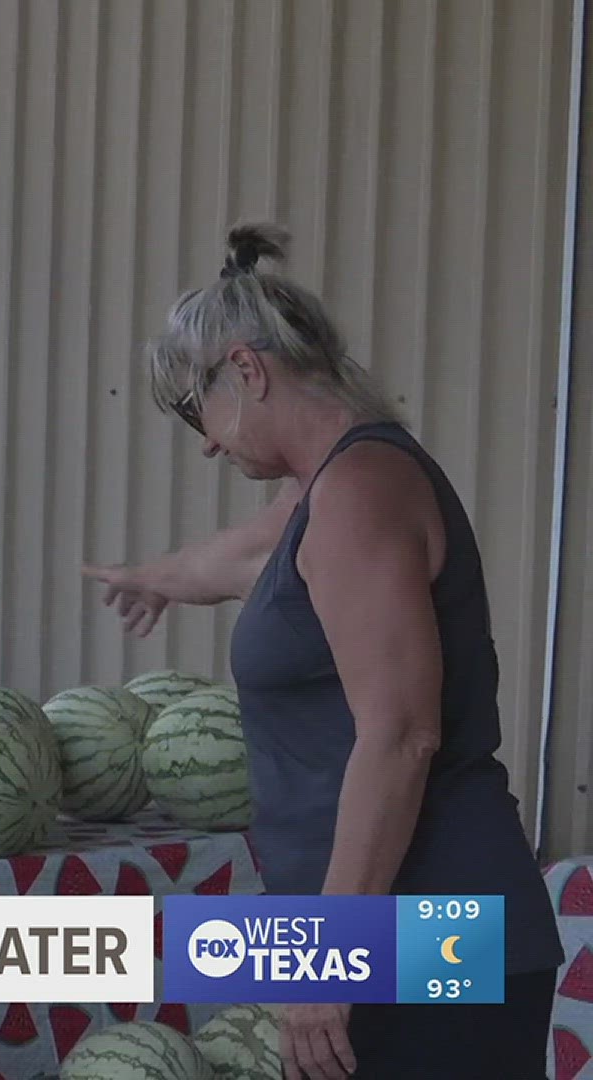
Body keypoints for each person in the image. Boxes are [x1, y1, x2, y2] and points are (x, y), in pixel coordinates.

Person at [85, 224, 562, 1079]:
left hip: (431, 926)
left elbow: (401, 734)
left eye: (199, 415)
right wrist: (150, 576)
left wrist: (330, 956)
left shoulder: (361, 491)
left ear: (247, 371)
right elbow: (231, 560)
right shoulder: (325, 494)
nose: (205, 443)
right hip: (382, 931)